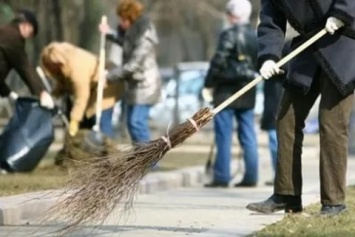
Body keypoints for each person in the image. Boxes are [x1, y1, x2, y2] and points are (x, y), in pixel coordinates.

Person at [246, 0, 355, 215]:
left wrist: (341, 13)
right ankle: (287, 195)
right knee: (286, 118)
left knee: (331, 124)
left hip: (344, 44)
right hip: (310, 46)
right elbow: (270, 21)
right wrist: (269, 57)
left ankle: (334, 203)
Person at [203, 0, 259, 188]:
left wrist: (208, 83)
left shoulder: (228, 34)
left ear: (233, 15)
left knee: (223, 134)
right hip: (248, 88)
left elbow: (219, 60)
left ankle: (222, 176)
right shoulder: (254, 35)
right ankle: (251, 176)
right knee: (248, 133)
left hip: (226, 90)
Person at [99, 0, 161, 144]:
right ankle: (140, 159)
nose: (121, 23)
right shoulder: (133, 32)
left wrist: (108, 77)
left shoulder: (145, 36)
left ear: (131, 18)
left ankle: (149, 161)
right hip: (136, 85)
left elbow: (133, 65)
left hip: (146, 86)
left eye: (123, 19)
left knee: (136, 122)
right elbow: (125, 43)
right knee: (131, 124)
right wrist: (109, 34)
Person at [40, 42, 125, 137]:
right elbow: (64, 84)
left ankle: (109, 148)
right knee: (89, 119)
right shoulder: (66, 64)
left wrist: (74, 120)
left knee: (100, 119)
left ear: (56, 63)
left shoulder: (77, 67)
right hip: (95, 87)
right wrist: (53, 95)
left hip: (107, 85)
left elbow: (82, 96)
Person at [0, 9, 54, 109]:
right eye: (31, 33)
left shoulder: (6, 32)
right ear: (26, 25)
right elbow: (24, 67)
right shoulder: (12, 36)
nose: (29, 37)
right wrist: (42, 93)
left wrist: (8, 93)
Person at [262, 41, 291, 186]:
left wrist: (281, 67)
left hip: (279, 102)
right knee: (275, 139)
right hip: (274, 100)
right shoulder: (271, 47)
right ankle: (278, 175)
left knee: (277, 141)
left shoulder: (286, 46)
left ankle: (280, 176)